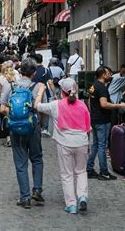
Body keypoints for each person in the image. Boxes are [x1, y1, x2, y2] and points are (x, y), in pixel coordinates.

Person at [34, 78, 91, 214]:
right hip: (82, 141)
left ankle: (71, 204)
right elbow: (88, 128)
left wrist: (40, 92)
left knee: (67, 174)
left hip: (64, 143)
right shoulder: (83, 106)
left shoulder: (56, 105)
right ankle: (82, 196)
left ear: (62, 92)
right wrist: (88, 144)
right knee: (81, 171)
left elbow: (37, 106)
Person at [0, 58, 46, 208]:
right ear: (34, 73)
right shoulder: (39, 87)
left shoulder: (11, 86)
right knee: (37, 158)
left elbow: (2, 109)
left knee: (21, 163)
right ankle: (37, 189)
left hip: (15, 129)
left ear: (20, 71)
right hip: (33, 128)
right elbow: (41, 109)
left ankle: (25, 197)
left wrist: (15, 114)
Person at [86, 66, 125, 180]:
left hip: (94, 119)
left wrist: (92, 113)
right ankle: (104, 172)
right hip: (102, 120)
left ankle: (89, 169)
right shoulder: (102, 88)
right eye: (109, 73)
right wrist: (119, 105)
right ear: (103, 75)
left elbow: (89, 100)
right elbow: (104, 104)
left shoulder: (93, 85)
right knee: (102, 145)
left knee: (95, 144)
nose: (110, 75)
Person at [33, 53, 56, 138]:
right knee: (45, 110)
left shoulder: (32, 70)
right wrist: (54, 93)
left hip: (34, 91)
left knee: (36, 109)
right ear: (42, 60)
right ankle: (45, 128)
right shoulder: (46, 70)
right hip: (44, 92)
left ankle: (37, 126)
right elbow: (50, 83)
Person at [0, 61, 17, 146]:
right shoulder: (17, 76)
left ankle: (8, 136)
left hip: (5, 101)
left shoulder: (1, 78)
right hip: (15, 101)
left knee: (5, 118)